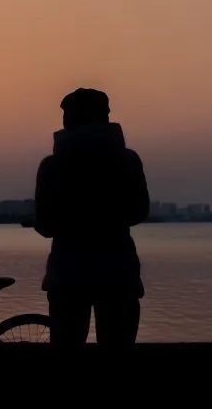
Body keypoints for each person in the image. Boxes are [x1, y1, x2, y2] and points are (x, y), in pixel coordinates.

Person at [34, 88, 149, 348]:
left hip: (68, 275)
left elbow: (45, 225)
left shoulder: (52, 167)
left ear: (70, 120)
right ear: (105, 117)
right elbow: (139, 212)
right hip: (118, 273)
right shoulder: (128, 161)